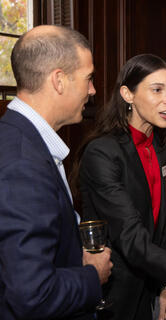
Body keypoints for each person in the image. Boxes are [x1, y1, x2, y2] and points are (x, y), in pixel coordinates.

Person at [75, 54, 166, 320]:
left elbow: (159, 227)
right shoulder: (103, 152)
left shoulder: (162, 146)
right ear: (127, 94)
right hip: (109, 293)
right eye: (157, 90)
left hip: (144, 290)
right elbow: (129, 234)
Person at [0, 25, 112, 320]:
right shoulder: (23, 165)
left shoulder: (18, 138)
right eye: (88, 78)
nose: (93, 90)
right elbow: (33, 294)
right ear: (59, 80)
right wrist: (92, 274)